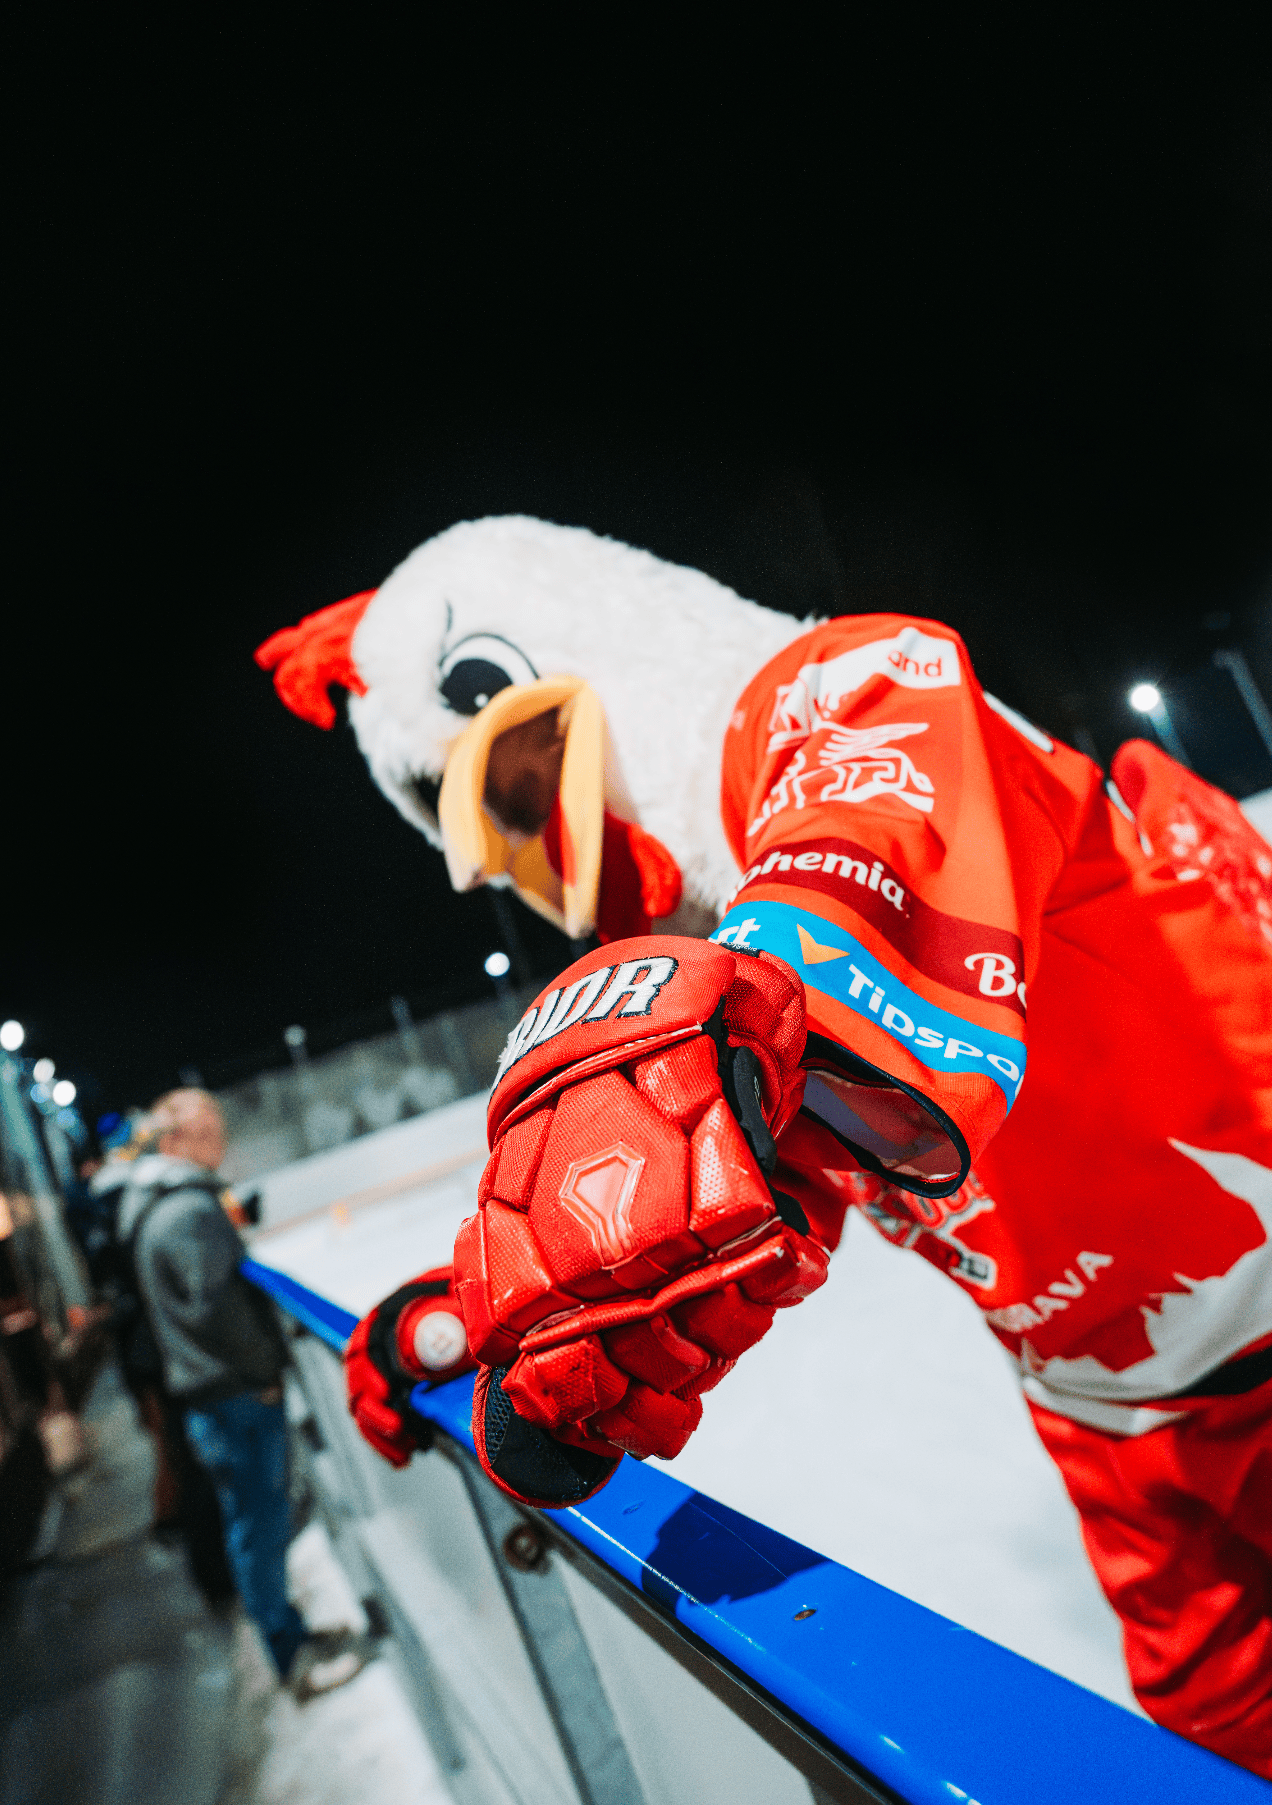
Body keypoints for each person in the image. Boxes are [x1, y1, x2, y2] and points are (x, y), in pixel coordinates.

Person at [260, 515, 1272, 1773]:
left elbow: (866, 827)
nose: (510, 866)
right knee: (1210, 1740)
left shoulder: (849, 690)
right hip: (1108, 1407)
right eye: (482, 840)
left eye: (516, 790)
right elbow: (725, 1182)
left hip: (1256, 1309)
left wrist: (730, 1005)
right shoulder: (736, 946)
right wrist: (515, 1297)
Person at [117, 1086, 365, 1699]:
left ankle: (291, 1637)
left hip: (214, 1393)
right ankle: (293, 1661)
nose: (219, 1144)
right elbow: (216, 1312)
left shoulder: (159, 1205)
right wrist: (263, 1376)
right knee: (258, 1527)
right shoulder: (186, 1211)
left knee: (255, 1524)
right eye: (207, 1133)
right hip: (233, 1395)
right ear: (175, 1139)